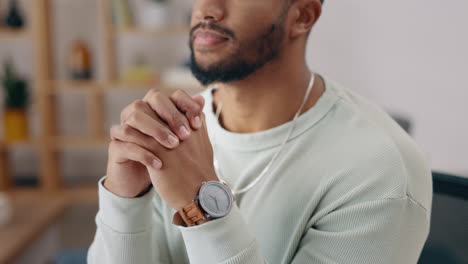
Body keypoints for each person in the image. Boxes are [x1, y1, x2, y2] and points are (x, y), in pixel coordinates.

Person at [87, 0, 432, 263]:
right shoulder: (170, 130)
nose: (207, 8)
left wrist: (202, 206)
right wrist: (124, 200)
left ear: (302, 17)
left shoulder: (382, 172)